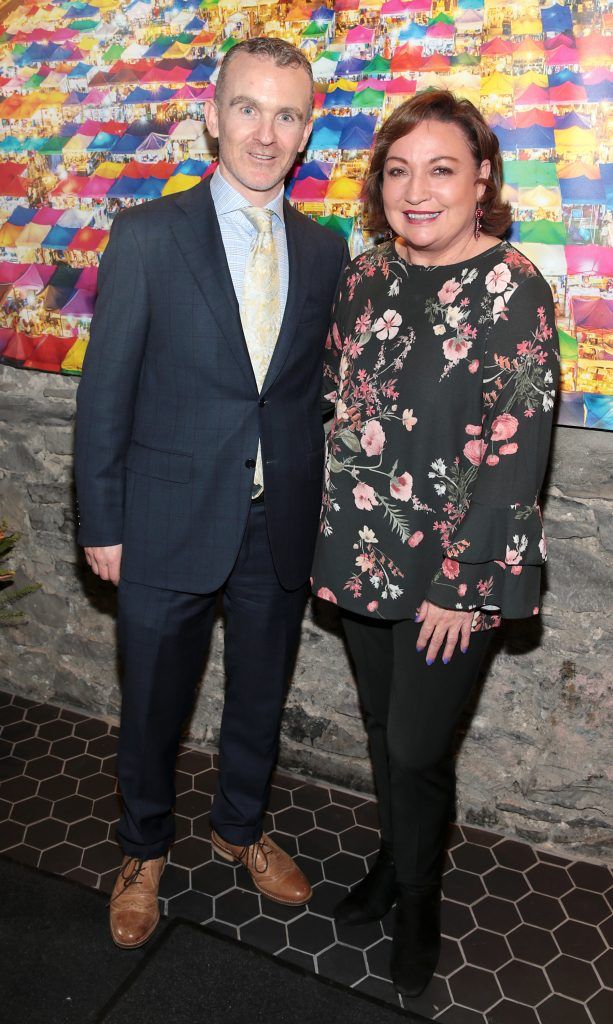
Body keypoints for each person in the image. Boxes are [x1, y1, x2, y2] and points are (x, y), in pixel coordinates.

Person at [74, 37, 348, 949]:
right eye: (247, 107)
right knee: (153, 699)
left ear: (305, 131)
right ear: (211, 113)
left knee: (259, 696)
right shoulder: (148, 236)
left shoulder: (325, 251)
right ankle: (143, 848)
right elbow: (105, 391)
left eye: (286, 114)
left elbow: (305, 392)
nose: (264, 132)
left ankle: (240, 828)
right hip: (161, 520)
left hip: (276, 525)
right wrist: (102, 521)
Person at [311, 90, 559, 998]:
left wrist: (463, 583)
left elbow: (517, 447)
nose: (416, 190)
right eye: (398, 170)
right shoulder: (366, 274)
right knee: (382, 728)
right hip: (362, 550)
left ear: (481, 178)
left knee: (417, 749)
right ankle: (393, 856)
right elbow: (341, 404)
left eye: (441, 169)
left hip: (451, 572)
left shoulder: (512, 287)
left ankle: (420, 900)